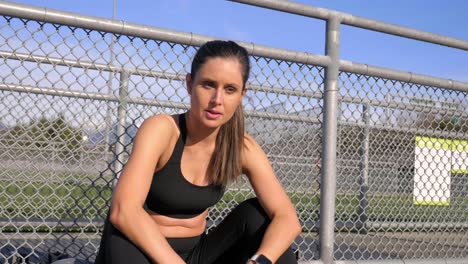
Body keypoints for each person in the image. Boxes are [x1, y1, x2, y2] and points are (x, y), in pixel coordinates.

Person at [95, 40, 301, 264]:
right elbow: (123, 211)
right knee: (122, 226)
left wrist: (261, 261)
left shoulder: (242, 147)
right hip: (137, 249)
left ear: (242, 94)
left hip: (195, 256)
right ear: (189, 84)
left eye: (230, 89)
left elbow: (287, 218)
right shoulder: (162, 130)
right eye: (208, 85)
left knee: (257, 215)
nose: (217, 100)